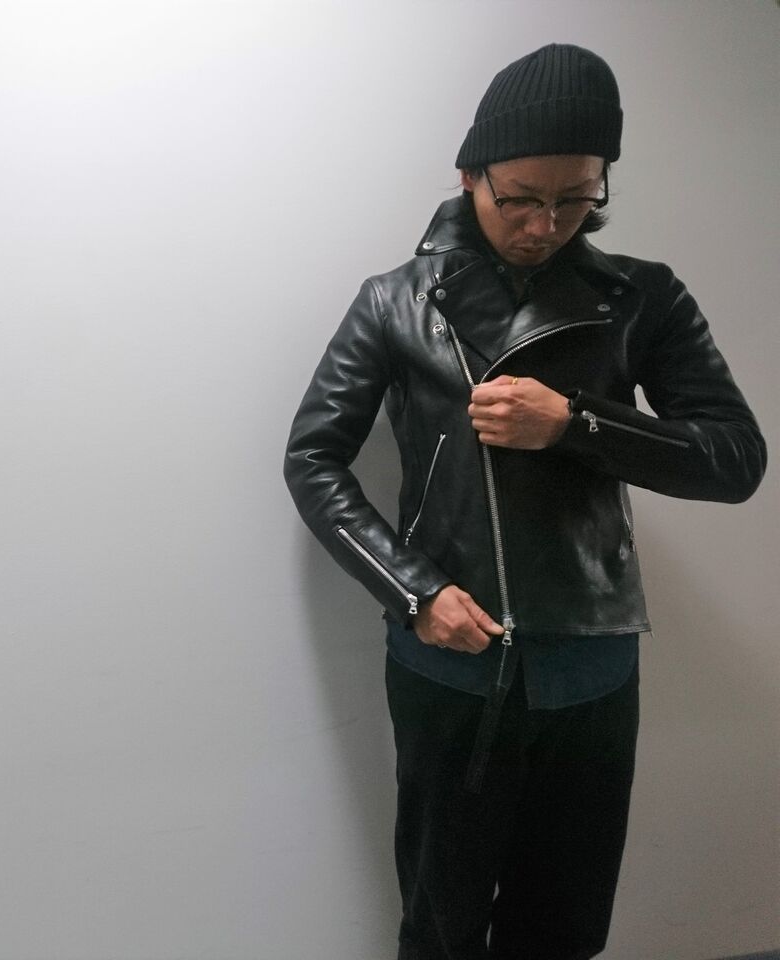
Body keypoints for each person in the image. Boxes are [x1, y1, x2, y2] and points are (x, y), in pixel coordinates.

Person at [283, 43, 765, 960]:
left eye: (576, 199)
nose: (546, 224)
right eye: (521, 198)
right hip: (448, 659)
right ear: (472, 174)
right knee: (442, 922)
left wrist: (577, 423)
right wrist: (416, 593)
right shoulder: (396, 301)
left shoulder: (642, 298)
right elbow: (313, 460)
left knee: (565, 927)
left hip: (591, 663)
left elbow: (736, 459)